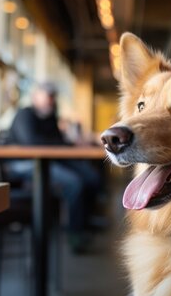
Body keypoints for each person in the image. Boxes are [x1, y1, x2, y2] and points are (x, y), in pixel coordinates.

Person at [6, 82, 102, 253]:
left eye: (52, 96)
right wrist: (65, 144)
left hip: (48, 161)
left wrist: (74, 145)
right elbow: (31, 144)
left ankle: (85, 222)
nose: (51, 100)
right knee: (74, 183)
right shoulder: (24, 114)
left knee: (91, 176)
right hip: (21, 165)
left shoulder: (50, 118)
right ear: (36, 96)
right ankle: (74, 234)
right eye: (47, 95)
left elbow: (58, 144)